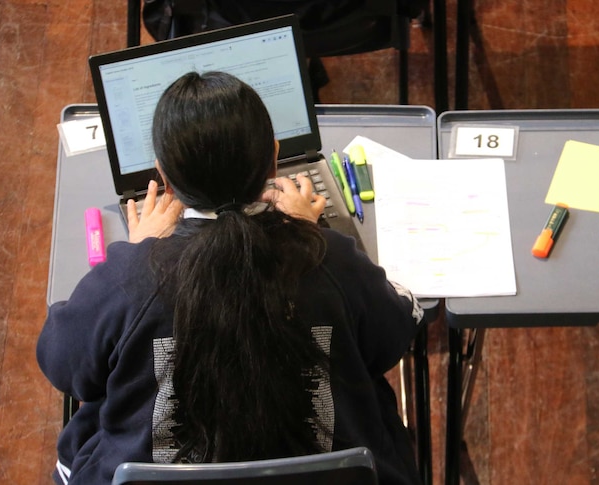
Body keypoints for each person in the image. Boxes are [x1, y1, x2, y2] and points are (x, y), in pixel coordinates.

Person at [37, 71, 424, 484]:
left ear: (164, 177)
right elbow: (395, 335)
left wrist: (139, 250)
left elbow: (63, 363)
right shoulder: (330, 260)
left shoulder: (130, 278)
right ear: (273, 160)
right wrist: (309, 235)